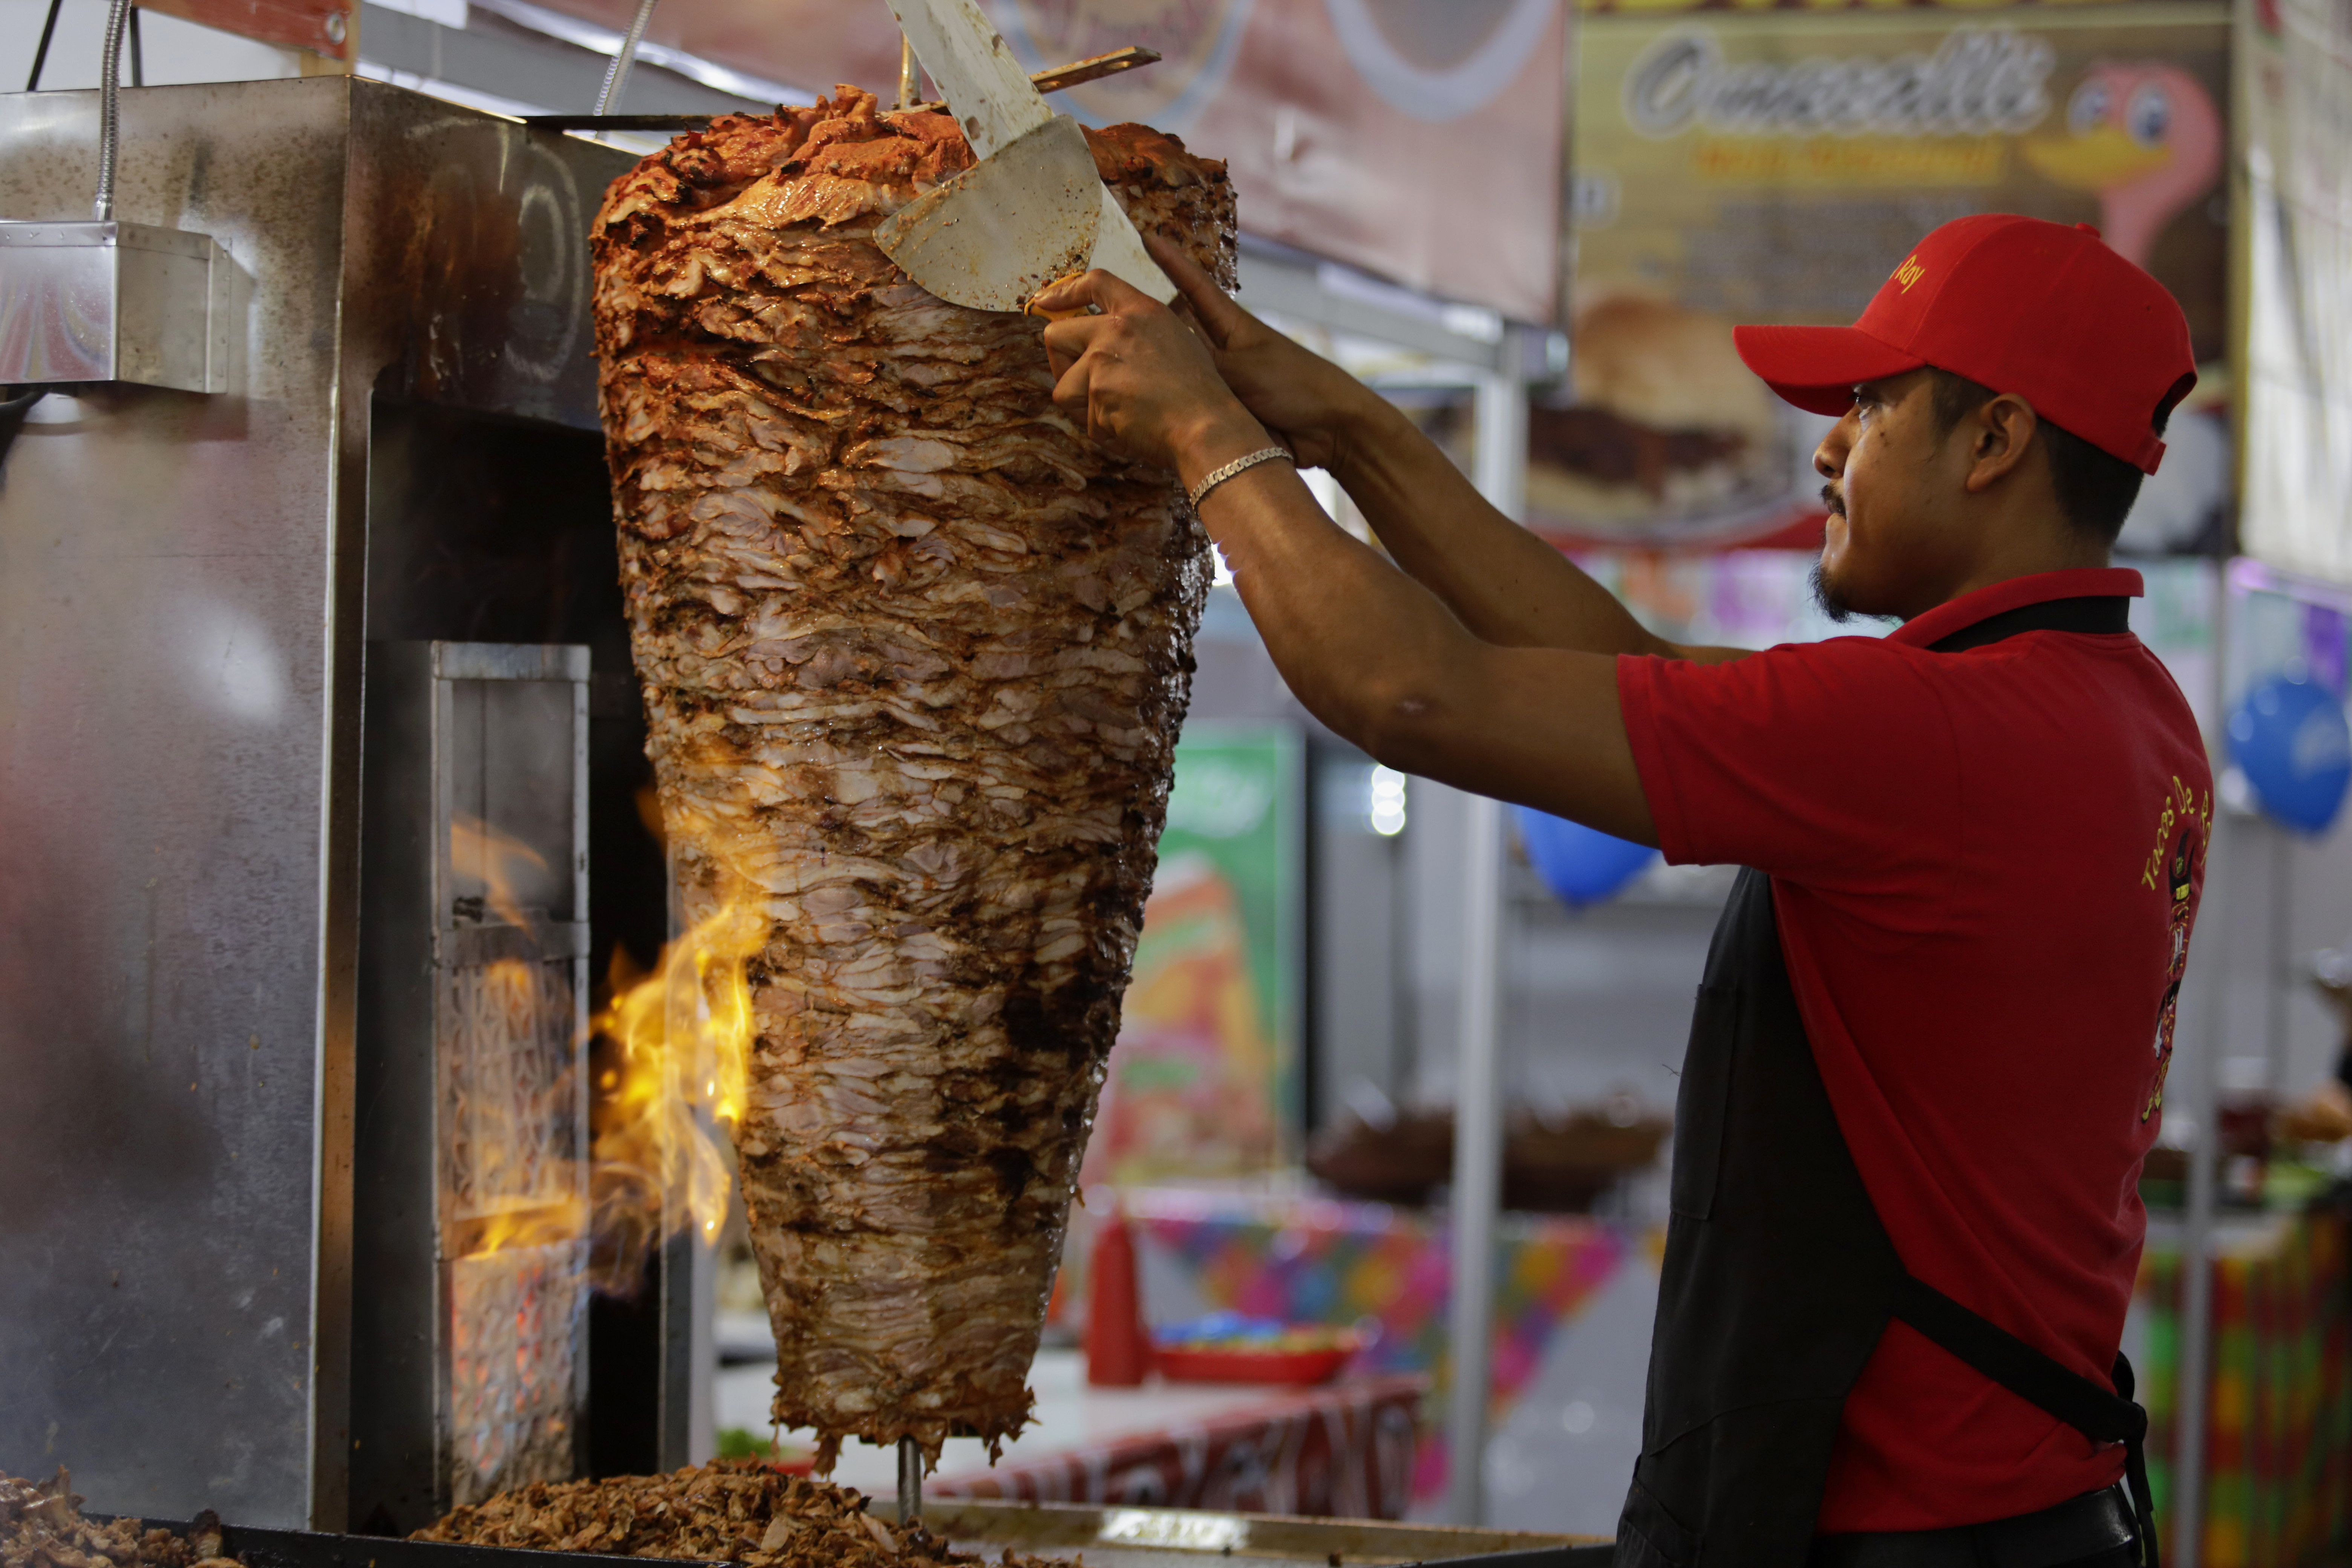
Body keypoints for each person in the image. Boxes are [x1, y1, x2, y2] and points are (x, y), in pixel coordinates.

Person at [1032, 213, 2207, 1568]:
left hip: (1887, 1527)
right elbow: (1622, 661)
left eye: (1874, 406)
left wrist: (1202, 438)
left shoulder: (1937, 736)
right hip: (2034, 1511)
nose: (1827, 447)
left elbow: (1412, 691)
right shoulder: (2120, 710)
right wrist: (1347, 427)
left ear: (1995, 442)